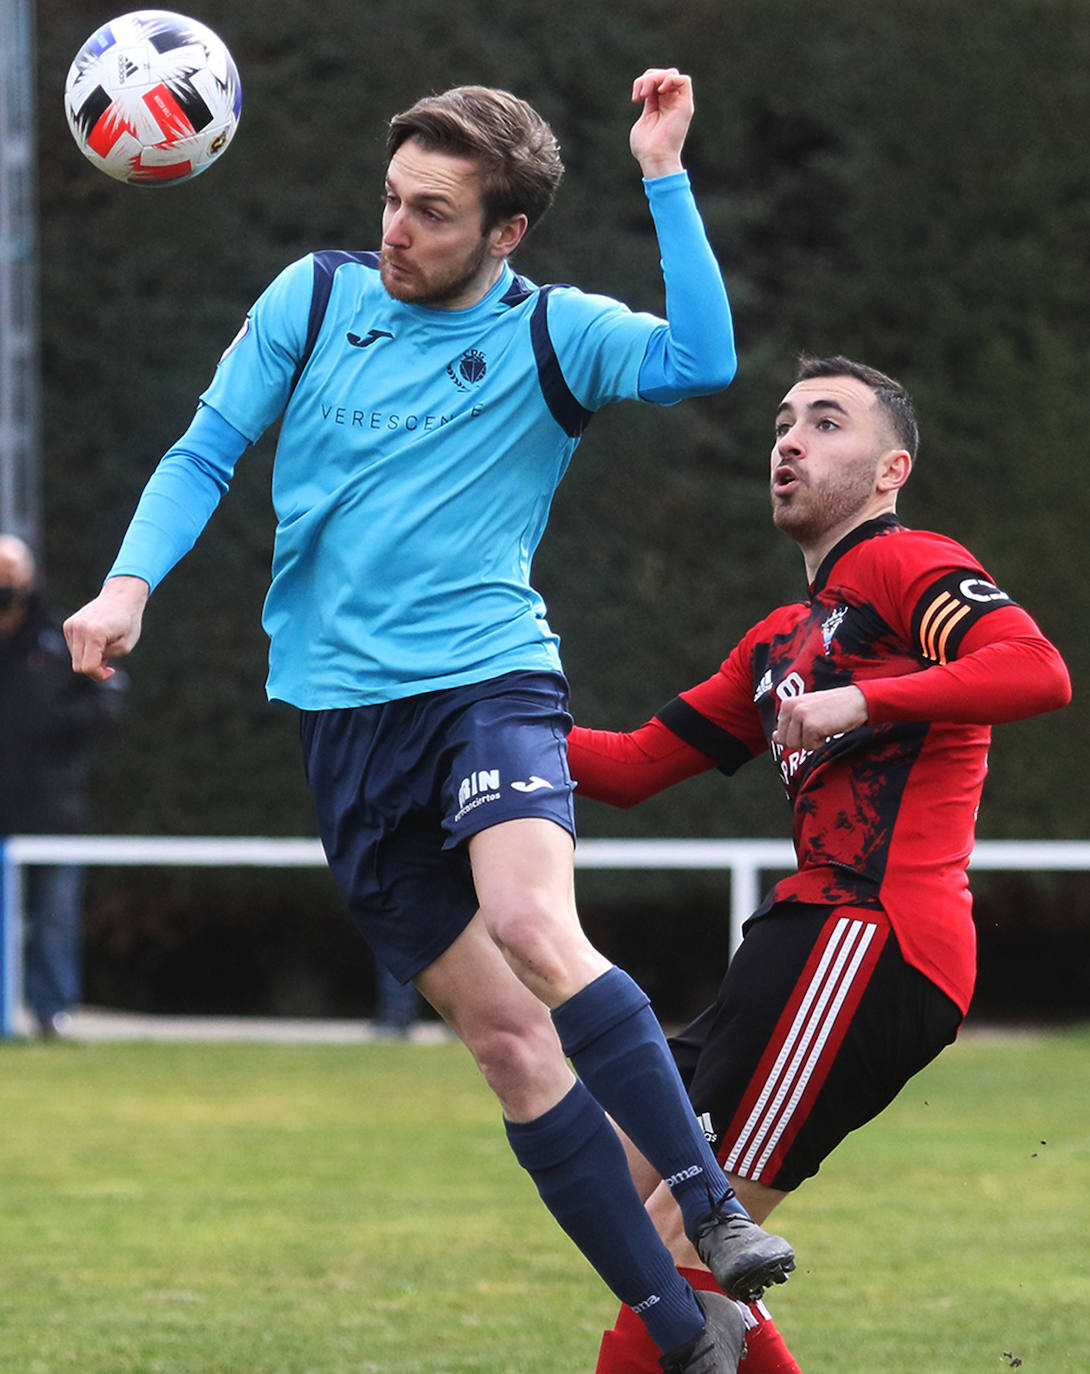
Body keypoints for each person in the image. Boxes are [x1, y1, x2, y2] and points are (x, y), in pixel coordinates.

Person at [63, 70, 795, 1373]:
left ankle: (710, 1206)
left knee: (533, 925)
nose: (396, 231)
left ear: (506, 231)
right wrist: (129, 585)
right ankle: (681, 1334)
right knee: (510, 1050)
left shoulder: (553, 333)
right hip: (341, 726)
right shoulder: (315, 295)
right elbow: (204, 448)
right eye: (392, 200)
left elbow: (703, 361)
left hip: (486, 684)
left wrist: (663, 172)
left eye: (433, 213)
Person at [566, 355, 1072, 1373]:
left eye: (827, 422)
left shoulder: (905, 562)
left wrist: (865, 698)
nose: (790, 440)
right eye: (783, 423)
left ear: (890, 471)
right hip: (799, 940)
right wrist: (469, 719)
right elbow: (626, 767)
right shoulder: (776, 642)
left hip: (872, 937)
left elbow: (1036, 670)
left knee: (688, 1235)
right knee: (615, 1184)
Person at [0, 534, 127, 1038]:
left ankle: (52, 1013)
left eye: (10, 575)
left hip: (52, 807)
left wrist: (51, 724)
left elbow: (108, 696)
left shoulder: (58, 639)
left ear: (29, 580)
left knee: (53, 917)